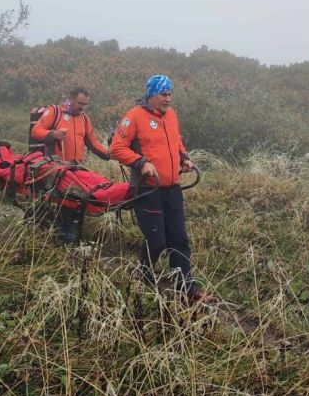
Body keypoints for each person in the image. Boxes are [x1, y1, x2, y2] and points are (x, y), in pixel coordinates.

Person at [110, 74, 203, 300]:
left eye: (170, 94)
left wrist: (184, 157)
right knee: (157, 240)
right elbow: (116, 147)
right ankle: (145, 273)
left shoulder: (171, 115)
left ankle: (185, 287)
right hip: (147, 190)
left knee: (179, 238)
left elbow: (176, 140)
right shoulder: (133, 117)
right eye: (164, 94)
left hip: (172, 188)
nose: (168, 99)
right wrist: (142, 163)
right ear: (151, 95)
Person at [30, 87, 109, 243]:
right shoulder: (55, 112)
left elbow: (92, 142)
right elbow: (36, 131)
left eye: (85, 104)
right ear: (71, 98)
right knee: (67, 200)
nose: (82, 107)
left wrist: (108, 153)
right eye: (80, 103)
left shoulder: (84, 118)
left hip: (76, 166)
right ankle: (64, 235)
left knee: (76, 199)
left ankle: (68, 232)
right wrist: (53, 134)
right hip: (57, 167)